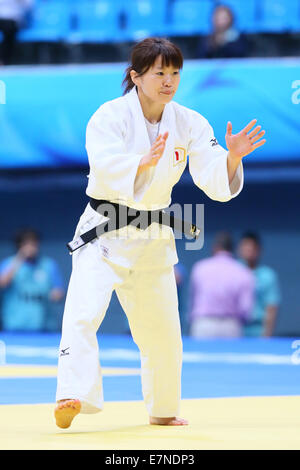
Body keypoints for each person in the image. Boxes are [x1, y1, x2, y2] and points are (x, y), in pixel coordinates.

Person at [54, 37, 266, 429]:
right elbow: (103, 167)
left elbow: (213, 178)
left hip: (152, 235)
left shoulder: (190, 122)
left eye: (174, 73)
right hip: (105, 229)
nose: (169, 81)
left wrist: (232, 157)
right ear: (136, 76)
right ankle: (73, 393)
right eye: (159, 73)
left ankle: (163, 409)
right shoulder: (109, 117)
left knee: (164, 332)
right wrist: (140, 164)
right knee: (82, 313)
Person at [188, 232, 255, 338]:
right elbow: (245, 309)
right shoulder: (243, 271)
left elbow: (192, 299)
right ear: (232, 249)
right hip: (231, 326)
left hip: (203, 325)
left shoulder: (200, 268)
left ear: (215, 247)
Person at [0, 229, 64, 331]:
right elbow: (3, 283)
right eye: (26, 244)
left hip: (43, 325)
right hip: (15, 324)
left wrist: (54, 295)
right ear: (19, 245)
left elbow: (58, 292)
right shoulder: (9, 263)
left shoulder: (48, 264)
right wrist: (20, 257)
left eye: (33, 243)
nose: (31, 247)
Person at [238, 232, 281, 337]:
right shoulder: (233, 272)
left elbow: (272, 307)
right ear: (239, 249)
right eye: (246, 246)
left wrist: (266, 335)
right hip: (235, 329)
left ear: (259, 250)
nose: (249, 250)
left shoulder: (268, 275)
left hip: (258, 329)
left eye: (253, 247)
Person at [0, 0, 34, 65]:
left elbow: (29, 7)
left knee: (8, 28)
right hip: (1, 17)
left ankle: (3, 60)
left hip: (14, 19)